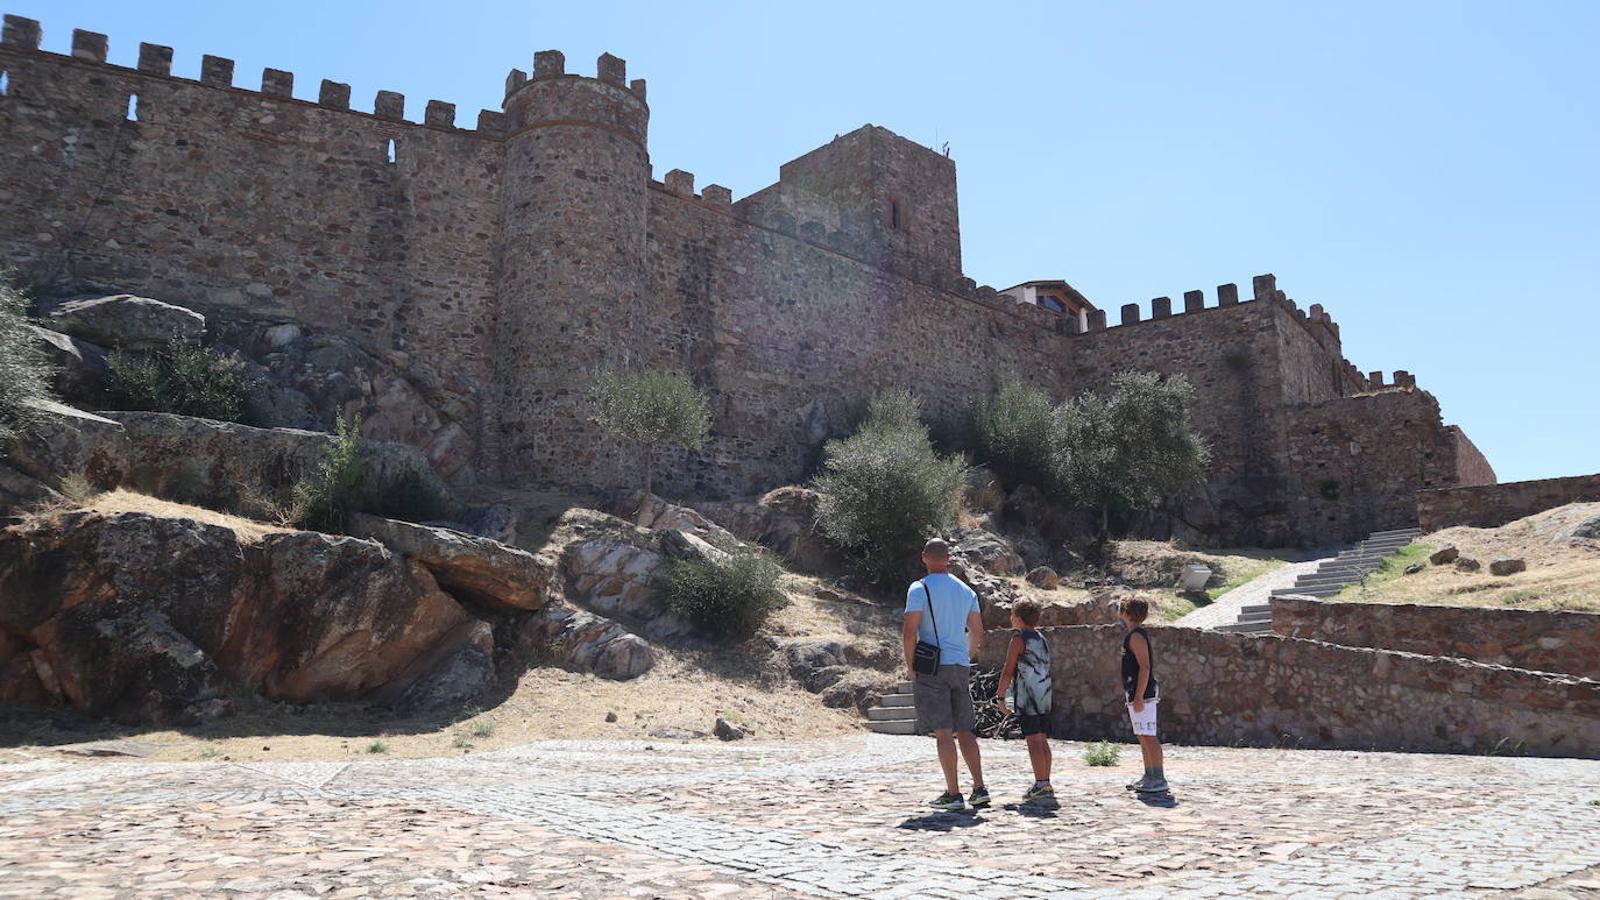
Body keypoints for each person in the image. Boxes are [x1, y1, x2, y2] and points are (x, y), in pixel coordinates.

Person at [903, 537, 988, 811]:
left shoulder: (919, 588)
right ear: (949, 559)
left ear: (924, 558)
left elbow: (909, 631)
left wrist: (910, 665)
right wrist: (968, 655)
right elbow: (977, 631)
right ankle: (979, 788)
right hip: (959, 665)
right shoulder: (966, 591)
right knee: (966, 730)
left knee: (943, 732)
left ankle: (953, 792)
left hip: (932, 667)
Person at [994, 598, 1054, 802]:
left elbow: (1008, 670)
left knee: (1032, 739)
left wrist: (1000, 697)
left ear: (1018, 618)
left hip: (1028, 696)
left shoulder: (1018, 639)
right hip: (1044, 694)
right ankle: (1045, 781)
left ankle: (1040, 783)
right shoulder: (1041, 638)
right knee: (1042, 738)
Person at [1118, 598, 1167, 794]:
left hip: (1143, 693)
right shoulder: (1132, 635)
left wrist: (1138, 696)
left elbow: (1145, 667)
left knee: (1149, 736)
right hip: (1135, 692)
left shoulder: (1136, 637)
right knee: (1142, 735)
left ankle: (1159, 777)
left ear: (1127, 613)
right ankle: (1149, 775)